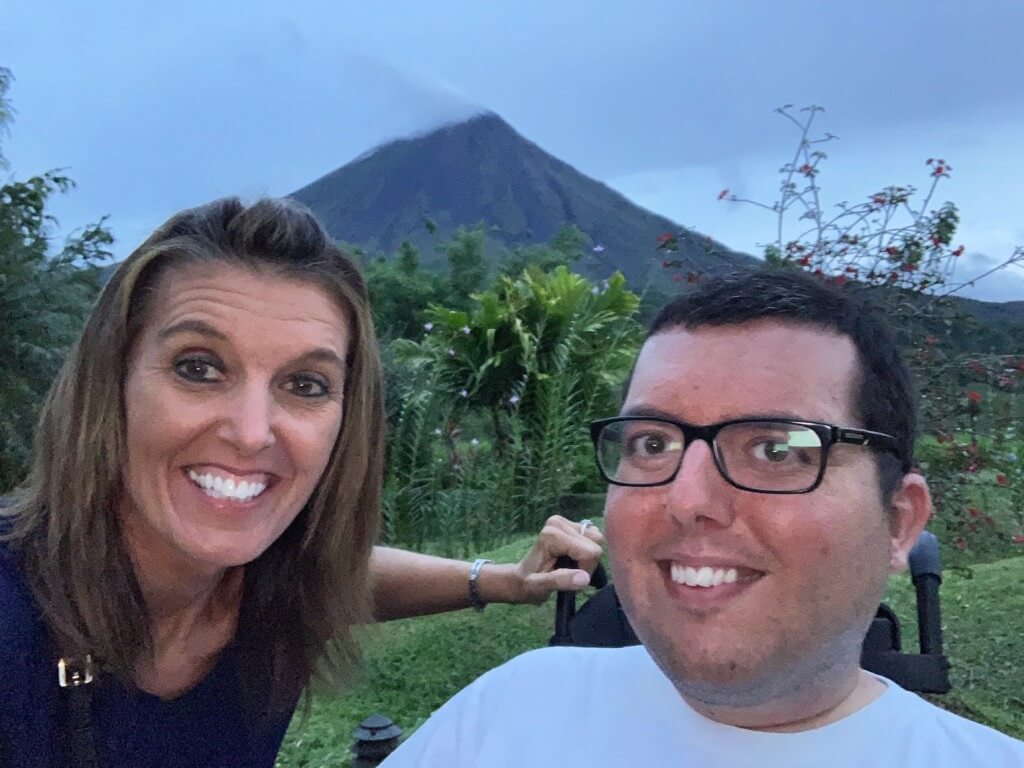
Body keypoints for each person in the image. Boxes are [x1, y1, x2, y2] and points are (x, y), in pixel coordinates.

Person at [0, 197, 604, 768]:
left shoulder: (263, 590)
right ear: (113, 383)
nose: (252, 432)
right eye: (199, 368)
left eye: (306, 385)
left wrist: (503, 581)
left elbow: (340, 574)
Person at [382, 269, 1024, 766]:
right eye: (652, 444)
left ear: (899, 522)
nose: (687, 500)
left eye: (778, 449)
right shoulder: (506, 715)